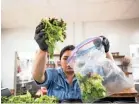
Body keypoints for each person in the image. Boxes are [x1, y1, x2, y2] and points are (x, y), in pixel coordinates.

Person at [32, 22, 114, 103]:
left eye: (73, 58)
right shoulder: (53, 74)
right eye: (65, 58)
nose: (69, 62)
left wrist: (106, 51)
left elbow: (110, 72)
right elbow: (38, 77)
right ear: (60, 62)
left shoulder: (86, 74)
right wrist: (42, 49)